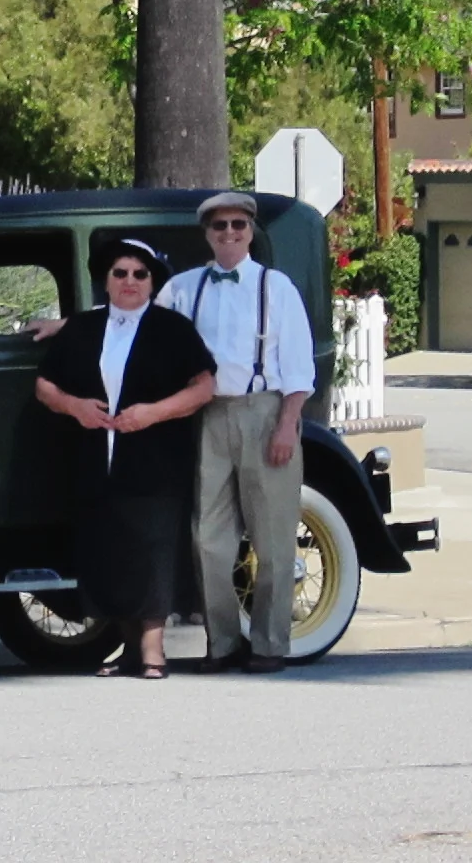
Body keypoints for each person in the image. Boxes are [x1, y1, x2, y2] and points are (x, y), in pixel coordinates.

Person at [36, 240, 217, 678]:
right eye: (121, 274)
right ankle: (128, 649)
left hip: (155, 458)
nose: (130, 282)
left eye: (140, 274)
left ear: (152, 281)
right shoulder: (83, 328)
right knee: (107, 549)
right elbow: (45, 385)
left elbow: (204, 386)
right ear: (107, 281)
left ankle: (154, 649)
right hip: (96, 456)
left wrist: (153, 413)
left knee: (153, 548)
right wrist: (75, 406)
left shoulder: (171, 328)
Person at [156, 192, 317, 674]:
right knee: (208, 538)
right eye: (220, 226)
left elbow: (298, 366)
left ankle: (269, 643)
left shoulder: (276, 287)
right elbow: (139, 323)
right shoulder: (185, 288)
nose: (229, 233)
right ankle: (221, 643)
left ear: (251, 232)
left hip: (266, 412)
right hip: (208, 415)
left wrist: (287, 425)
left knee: (272, 539)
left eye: (238, 226)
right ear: (206, 233)